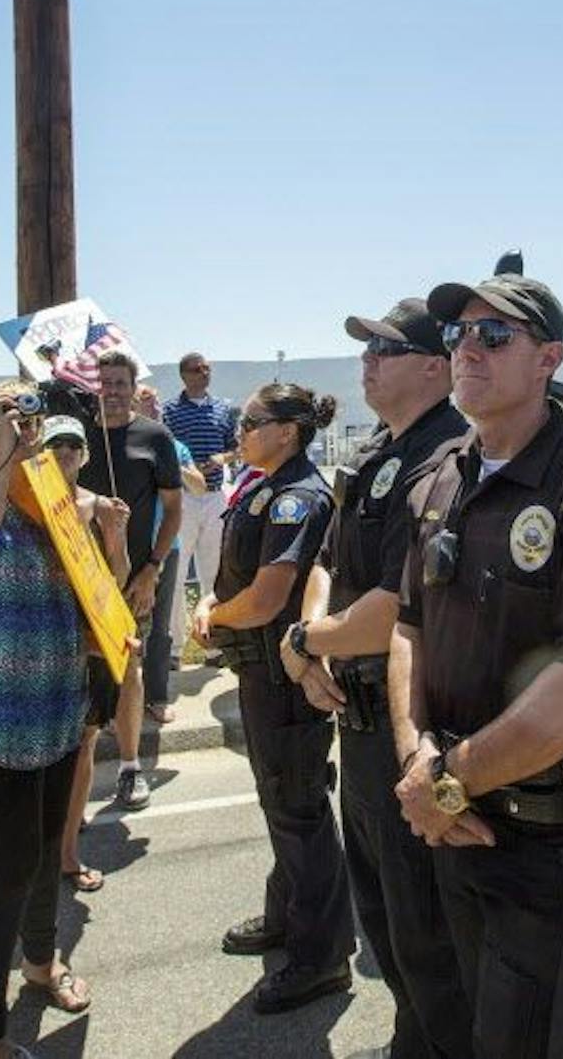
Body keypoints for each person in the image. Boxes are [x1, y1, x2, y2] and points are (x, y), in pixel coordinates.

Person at [388, 272, 563, 1059]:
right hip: (449, 825)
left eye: (495, 334)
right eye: (458, 335)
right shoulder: (443, 474)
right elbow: (409, 628)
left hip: (549, 851)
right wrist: (419, 759)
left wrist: (445, 779)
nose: (468, 347)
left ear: (549, 357)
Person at [281, 298, 470, 1059]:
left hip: (404, 725)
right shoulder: (372, 457)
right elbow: (327, 560)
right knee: (387, 924)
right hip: (353, 725)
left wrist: (304, 640)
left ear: (434, 365)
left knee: (428, 939)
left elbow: (396, 606)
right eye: (366, 349)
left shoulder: (444, 458)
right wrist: (308, 645)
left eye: (385, 349)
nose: (367, 360)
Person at [0, 401, 129, 1048]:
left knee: (48, 849)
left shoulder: (57, 508)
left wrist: (111, 537)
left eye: (31, 420)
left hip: (55, 711)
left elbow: (104, 588)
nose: (24, 429)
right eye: (7, 418)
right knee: (11, 864)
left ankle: (42, 962)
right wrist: (3, 462)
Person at [189, 383, 352, 1015]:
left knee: (298, 809)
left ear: (287, 430)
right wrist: (211, 603)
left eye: (251, 422)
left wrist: (213, 614)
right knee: (282, 803)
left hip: (286, 678)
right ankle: (287, 918)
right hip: (260, 674)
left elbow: (262, 600)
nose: (240, 431)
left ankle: (322, 958)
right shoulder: (262, 485)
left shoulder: (296, 497)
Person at [79, 351, 181, 810]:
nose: (113, 391)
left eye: (121, 383)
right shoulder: (76, 435)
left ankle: (129, 767)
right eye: (106, 382)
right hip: (77, 577)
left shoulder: (155, 437)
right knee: (79, 672)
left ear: (133, 386)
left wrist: (152, 568)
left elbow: (174, 509)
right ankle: (72, 780)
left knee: (129, 669)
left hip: (133, 578)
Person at [134, 383, 204, 723]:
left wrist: (174, 464)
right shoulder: (125, 444)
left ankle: (156, 696)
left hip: (167, 546)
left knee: (160, 624)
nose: (155, 404)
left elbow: (200, 485)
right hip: (128, 547)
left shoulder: (175, 447)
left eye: (156, 398)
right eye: (147, 399)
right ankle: (120, 701)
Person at [161, 351, 235, 614]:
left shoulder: (224, 409)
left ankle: (214, 643)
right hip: (183, 498)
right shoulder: (169, 411)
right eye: (196, 370)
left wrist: (221, 458)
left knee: (215, 571)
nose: (204, 373)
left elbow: (236, 448)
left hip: (215, 496)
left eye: (206, 368)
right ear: (183, 375)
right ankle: (175, 645)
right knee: (178, 571)